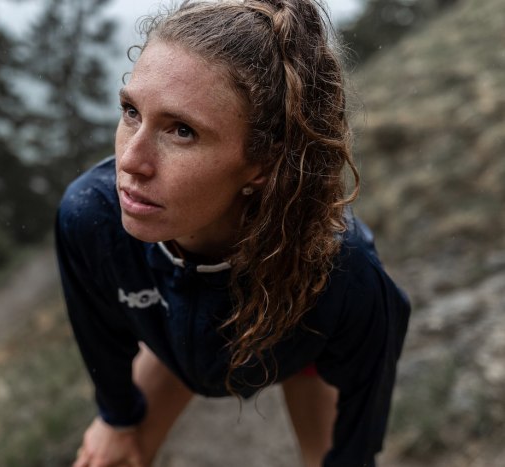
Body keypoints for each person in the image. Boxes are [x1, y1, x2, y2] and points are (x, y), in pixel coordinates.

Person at [55, 0, 411, 466]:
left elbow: (363, 411)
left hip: (297, 336)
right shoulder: (91, 214)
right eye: (131, 111)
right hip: (177, 337)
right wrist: (116, 418)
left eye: (182, 131)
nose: (130, 161)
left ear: (262, 163)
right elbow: (98, 334)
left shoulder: (341, 274)